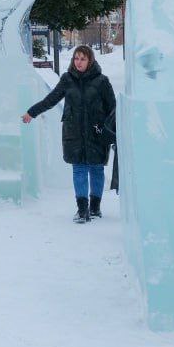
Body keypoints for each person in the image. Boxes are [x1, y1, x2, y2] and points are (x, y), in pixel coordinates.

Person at [22, 45, 115, 223]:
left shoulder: (102, 81)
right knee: (79, 169)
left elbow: (113, 108)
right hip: (74, 133)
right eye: (76, 58)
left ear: (90, 60)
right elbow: (51, 99)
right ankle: (82, 210)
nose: (78, 62)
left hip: (97, 132)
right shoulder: (67, 79)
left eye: (83, 59)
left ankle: (95, 207)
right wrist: (32, 112)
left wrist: (113, 132)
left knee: (96, 169)